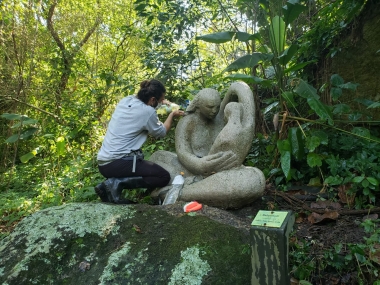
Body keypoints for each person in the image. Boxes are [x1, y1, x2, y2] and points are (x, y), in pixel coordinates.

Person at [149, 82, 266, 209]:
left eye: (217, 107)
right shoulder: (188, 122)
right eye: (210, 107)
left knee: (255, 179)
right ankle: (191, 189)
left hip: (221, 172)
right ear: (198, 106)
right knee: (157, 157)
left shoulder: (221, 117)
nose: (214, 111)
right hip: (190, 170)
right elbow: (182, 152)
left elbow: (237, 88)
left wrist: (242, 90)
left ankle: (179, 193)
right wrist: (199, 165)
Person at [95, 79, 184, 204]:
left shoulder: (127, 100)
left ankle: (108, 189)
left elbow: (145, 108)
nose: (161, 102)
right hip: (118, 163)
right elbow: (161, 132)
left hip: (104, 164)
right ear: (153, 99)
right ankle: (116, 183)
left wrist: (163, 103)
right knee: (163, 176)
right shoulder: (147, 112)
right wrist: (172, 115)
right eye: (159, 100)